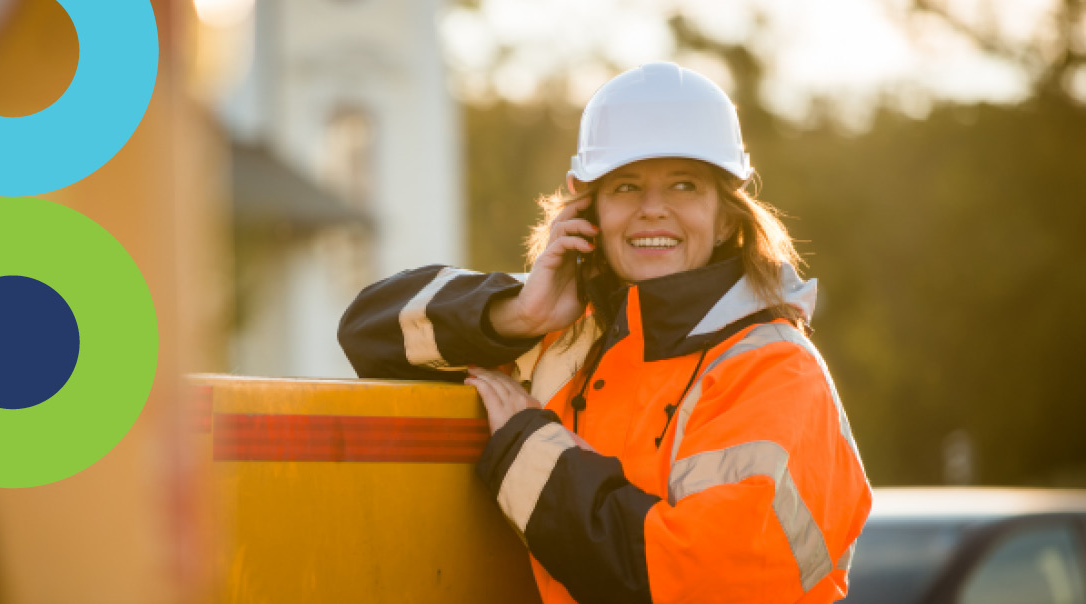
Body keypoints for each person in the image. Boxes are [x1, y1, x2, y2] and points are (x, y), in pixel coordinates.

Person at [337, 62, 871, 604]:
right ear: (588, 208)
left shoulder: (776, 371)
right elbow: (367, 333)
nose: (652, 210)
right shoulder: (558, 331)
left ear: (727, 217)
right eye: (625, 186)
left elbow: (698, 584)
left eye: (684, 185)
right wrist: (515, 315)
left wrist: (530, 453)